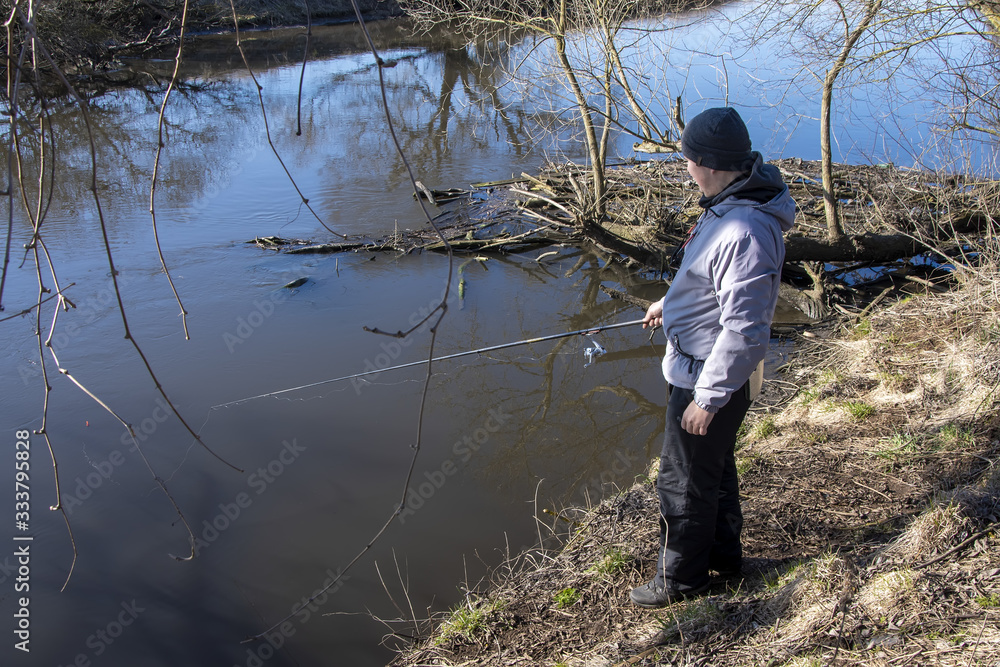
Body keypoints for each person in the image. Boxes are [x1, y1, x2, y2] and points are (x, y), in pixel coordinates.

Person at [630, 107, 796, 608]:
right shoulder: (728, 201)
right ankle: (725, 560)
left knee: (681, 480)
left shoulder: (744, 229)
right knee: (713, 469)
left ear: (709, 162)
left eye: (688, 161)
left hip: (712, 378)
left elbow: (744, 329)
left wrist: (708, 397)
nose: (685, 169)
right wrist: (670, 302)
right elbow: (709, 277)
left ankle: (682, 579)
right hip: (704, 371)